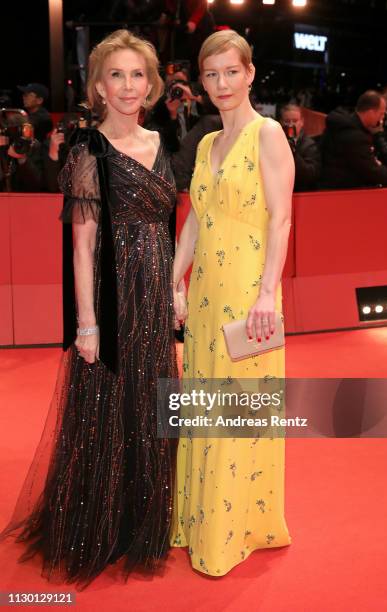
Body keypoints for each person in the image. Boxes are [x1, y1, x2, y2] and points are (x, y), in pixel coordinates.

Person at [0, 29, 177, 588]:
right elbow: (81, 244)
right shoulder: (87, 151)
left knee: (148, 405)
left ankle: (140, 524)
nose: (129, 86)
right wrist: (87, 324)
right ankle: (97, 529)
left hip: (152, 293)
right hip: (110, 294)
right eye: (117, 75)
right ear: (98, 85)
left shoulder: (158, 142)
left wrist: (173, 287)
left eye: (138, 75)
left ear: (150, 84)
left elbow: (167, 226)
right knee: (106, 411)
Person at [170, 30, 294, 575]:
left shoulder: (268, 135)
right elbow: (196, 218)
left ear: (249, 74)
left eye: (230, 72)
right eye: (210, 74)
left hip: (248, 292)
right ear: (203, 82)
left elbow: (283, 217)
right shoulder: (203, 144)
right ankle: (200, 519)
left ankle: (231, 531)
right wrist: (174, 281)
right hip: (204, 295)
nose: (221, 84)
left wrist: (268, 291)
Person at [320, 90, 387, 189]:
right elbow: (374, 173)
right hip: (341, 192)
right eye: (381, 114)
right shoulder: (355, 136)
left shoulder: (345, 124)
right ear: (371, 113)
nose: (382, 118)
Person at [279, 103, 321, 191]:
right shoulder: (274, 142)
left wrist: (293, 153)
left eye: (295, 121)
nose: (291, 125)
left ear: (301, 122)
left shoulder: (310, 145)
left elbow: (311, 175)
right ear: (281, 122)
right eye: (287, 121)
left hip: (301, 193)